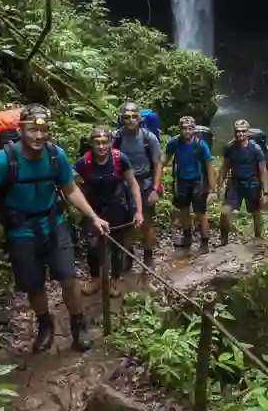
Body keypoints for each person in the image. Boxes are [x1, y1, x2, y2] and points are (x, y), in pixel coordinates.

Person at [0, 104, 109, 354]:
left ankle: (78, 324)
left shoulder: (55, 155)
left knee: (68, 277)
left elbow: (70, 189)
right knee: (34, 284)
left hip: (54, 223)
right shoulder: (4, 160)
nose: (39, 136)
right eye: (32, 130)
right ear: (20, 130)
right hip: (20, 229)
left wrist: (93, 217)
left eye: (43, 130)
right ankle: (45, 325)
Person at [74, 126, 144, 292]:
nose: (101, 146)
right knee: (92, 245)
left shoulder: (120, 159)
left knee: (117, 244)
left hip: (116, 206)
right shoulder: (84, 162)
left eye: (105, 142)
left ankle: (116, 279)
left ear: (111, 143)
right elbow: (70, 184)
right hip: (94, 208)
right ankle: (95, 279)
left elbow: (133, 184)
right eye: (97, 142)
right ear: (91, 143)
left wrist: (138, 210)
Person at [112, 102, 162, 269]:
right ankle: (128, 255)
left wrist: (155, 189)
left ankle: (148, 256)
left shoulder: (149, 138)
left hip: (145, 183)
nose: (131, 120)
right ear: (122, 119)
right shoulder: (116, 138)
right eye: (127, 117)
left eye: (134, 116)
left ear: (140, 118)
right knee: (126, 223)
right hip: (123, 185)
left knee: (146, 223)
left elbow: (157, 163)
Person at [162, 115, 215, 252]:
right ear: (179, 130)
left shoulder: (201, 145)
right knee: (184, 210)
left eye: (190, 128)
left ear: (194, 130)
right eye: (184, 129)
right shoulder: (174, 143)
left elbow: (209, 167)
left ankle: (204, 241)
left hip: (198, 181)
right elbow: (164, 160)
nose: (187, 131)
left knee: (200, 212)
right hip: (182, 181)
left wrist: (213, 190)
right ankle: (187, 237)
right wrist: (156, 175)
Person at [218, 118, 268, 246]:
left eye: (243, 131)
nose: (240, 134)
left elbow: (263, 170)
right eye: (238, 131)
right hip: (235, 183)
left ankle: (258, 237)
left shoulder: (255, 149)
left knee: (256, 212)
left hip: (252, 183)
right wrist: (219, 185)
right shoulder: (230, 147)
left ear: (248, 132)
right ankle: (224, 239)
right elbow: (225, 166)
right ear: (234, 132)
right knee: (225, 212)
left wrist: (265, 192)